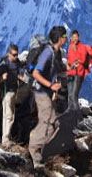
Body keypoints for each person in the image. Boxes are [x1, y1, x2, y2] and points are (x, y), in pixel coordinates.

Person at [28, 26, 67, 163]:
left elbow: (56, 71)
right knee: (48, 120)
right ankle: (34, 150)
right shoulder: (47, 53)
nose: (66, 39)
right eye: (64, 37)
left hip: (47, 92)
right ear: (59, 39)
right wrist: (51, 85)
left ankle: (39, 149)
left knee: (53, 124)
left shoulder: (56, 53)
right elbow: (36, 73)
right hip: (41, 91)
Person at [66, 30, 92, 112]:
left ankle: (75, 113)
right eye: (73, 37)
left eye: (76, 37)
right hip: (70, 73)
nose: (74, 39)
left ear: (78, 37)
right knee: (70, 95)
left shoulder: (84, 47)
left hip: (79, 74)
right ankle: (70, 111)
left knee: (74, 95)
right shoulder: (70, 48)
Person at [0, 44, 22, 147]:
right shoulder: (5, 63)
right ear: (9, 54)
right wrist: (3, 76)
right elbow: (1, 71)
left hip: (14, 91)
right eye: (14, 55)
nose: (16, 57)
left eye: (17, 55)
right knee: (8, 116)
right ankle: (5, 139)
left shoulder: (17, 63)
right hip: (7, 92)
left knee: (9, 115)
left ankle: (6, 137)